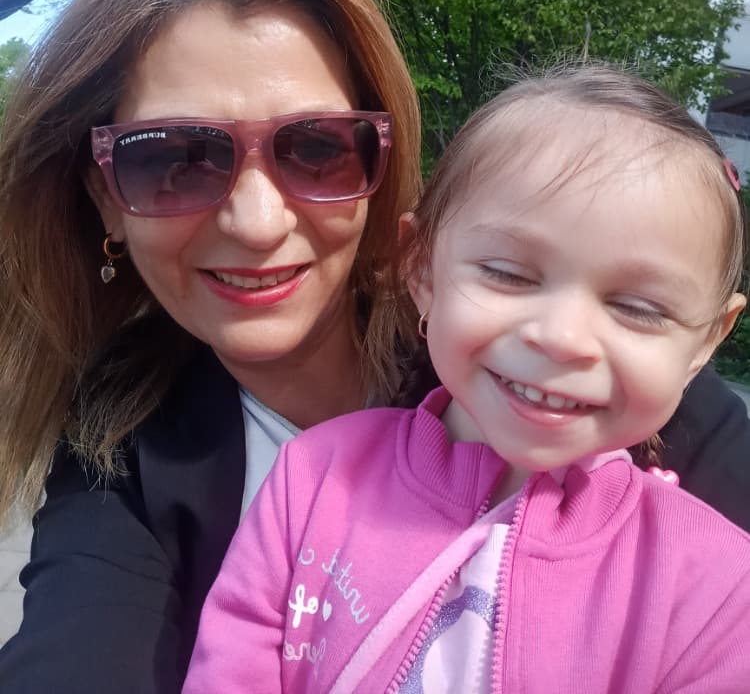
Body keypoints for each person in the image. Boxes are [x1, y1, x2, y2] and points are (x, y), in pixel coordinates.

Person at [0, 0, 748, 694]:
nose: (256, 223)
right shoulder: (120, 439)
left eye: (315, 147)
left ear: (377, 165)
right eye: (174, 159)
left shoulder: (588, 382)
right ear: (106, 198)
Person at [183, 65, 750, 693]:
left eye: (638, 309)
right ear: (421, 266)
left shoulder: (719, 593)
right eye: (509, 274)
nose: (561, 337)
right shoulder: (312, 479)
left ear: (707, 340)